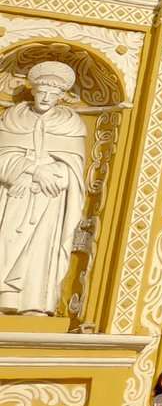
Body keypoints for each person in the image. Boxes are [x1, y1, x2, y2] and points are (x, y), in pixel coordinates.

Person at [0, 60, 89, 314]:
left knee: (40, 250)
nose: (46, 98)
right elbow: (2, 157)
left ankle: (34, 304)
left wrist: (58, 174)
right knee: (6, 241)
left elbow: (74, 168)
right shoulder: (13, 118)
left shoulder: (71, 124)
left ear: (61, 97)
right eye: (42, 92)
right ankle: (4, 299)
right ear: (33, 91)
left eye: (53, 94)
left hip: (50, 200)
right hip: (13, 193)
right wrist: (33, 169)